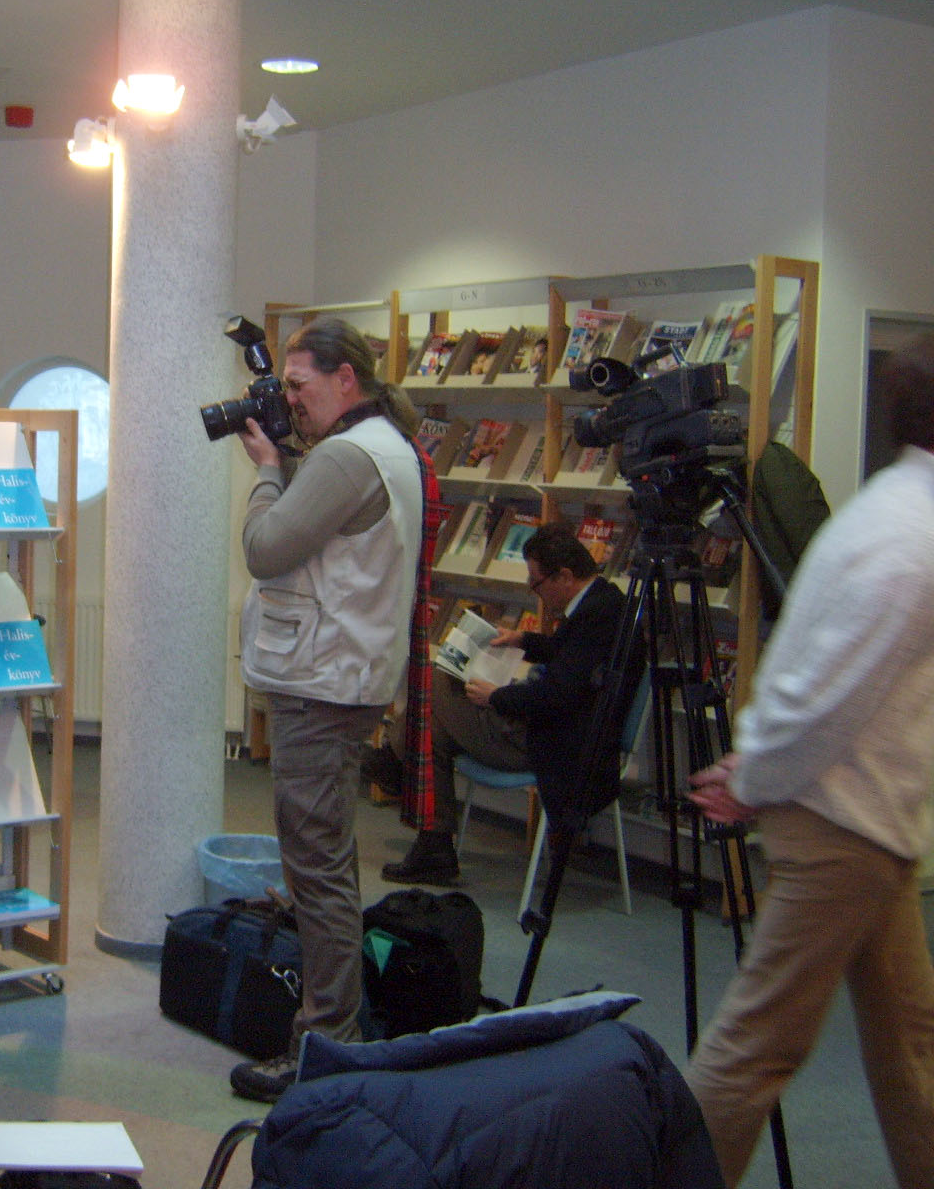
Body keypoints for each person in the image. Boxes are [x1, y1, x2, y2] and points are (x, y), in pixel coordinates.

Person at [684, 335, 934, 1188]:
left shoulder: (894, 513)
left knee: (913, 1045)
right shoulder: (906, 540)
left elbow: (810, 668)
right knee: (754, 1049)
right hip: (840, 830)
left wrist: (757, 766)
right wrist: (755, 775)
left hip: (867, 825)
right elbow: (826, 697)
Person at [231, 316, 425, 1103]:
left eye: (298, 385)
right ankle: (337, 1028)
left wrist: (268, 470)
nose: (289, 400)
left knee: (316, 872)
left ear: (346, 378)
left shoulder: (346, 457)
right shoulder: (386, 445)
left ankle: (324, 1046)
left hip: (321, 685)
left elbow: (265, 548)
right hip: (344, 677)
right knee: (327, 862)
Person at [370, 522, 631, 885]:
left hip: (552, 747)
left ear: (565, 577)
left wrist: (495, 696)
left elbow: (558, 694)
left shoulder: (596, 617)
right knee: (432, 729)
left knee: (434, 681)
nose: (535, 591)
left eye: (536, 583)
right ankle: (432, 844)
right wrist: (522, 639)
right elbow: (568, 659)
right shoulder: (605, 602)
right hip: (556, 732)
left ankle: (395, 762)